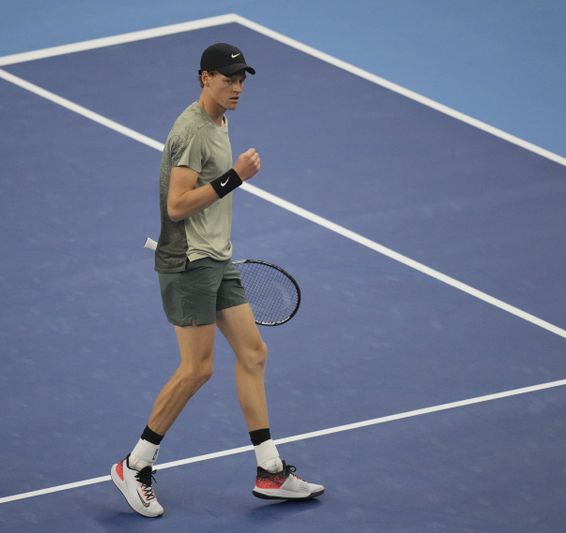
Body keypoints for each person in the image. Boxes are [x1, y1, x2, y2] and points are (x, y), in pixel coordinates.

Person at [111, 42, 324, 518]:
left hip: (216, 259)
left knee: (252, 352)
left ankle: (270, 471)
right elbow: (177, 204)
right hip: (189, 263)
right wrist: (235, 178)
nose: (237, 88)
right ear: (204, 77)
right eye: (228, 79)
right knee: (197, 369)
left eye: (242, 80)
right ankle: (135, 465)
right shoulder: (193, 131)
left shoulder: (219, 121)